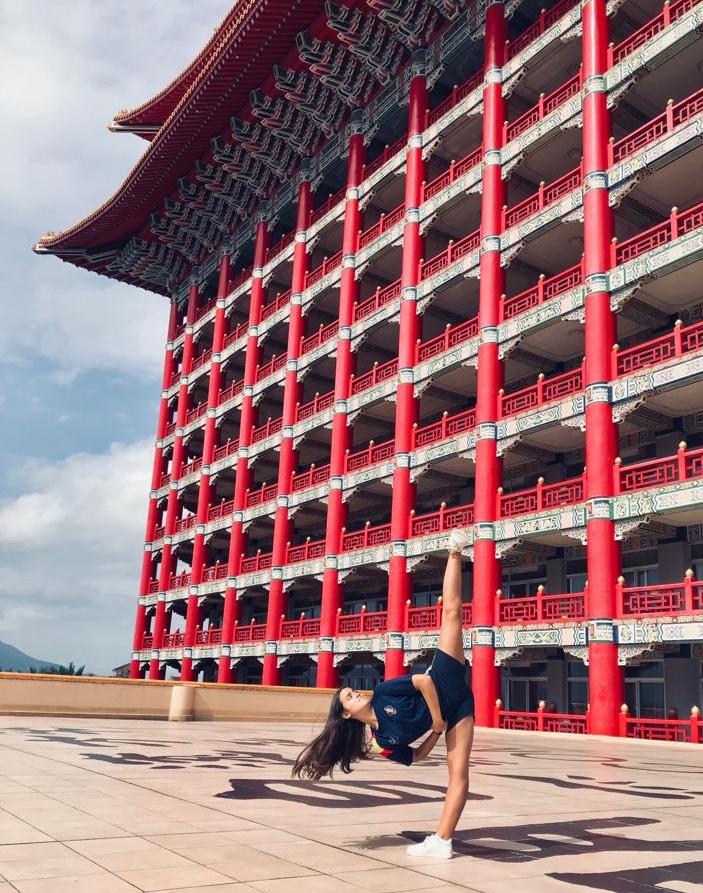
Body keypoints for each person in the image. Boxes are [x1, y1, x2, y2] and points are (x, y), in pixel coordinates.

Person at [292, 529, 475, 859]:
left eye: (352, 691)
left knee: (452, 614)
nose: (356, 695)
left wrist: (436, 720)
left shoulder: (383, 692)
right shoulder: (384, 743)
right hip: (460, 708)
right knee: (458, 775)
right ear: (347, 714)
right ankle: (442, 841)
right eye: (349, 697)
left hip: (444, 678)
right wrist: (437, 732)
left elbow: (423, 683)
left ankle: (454, 550)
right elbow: (416, 757)